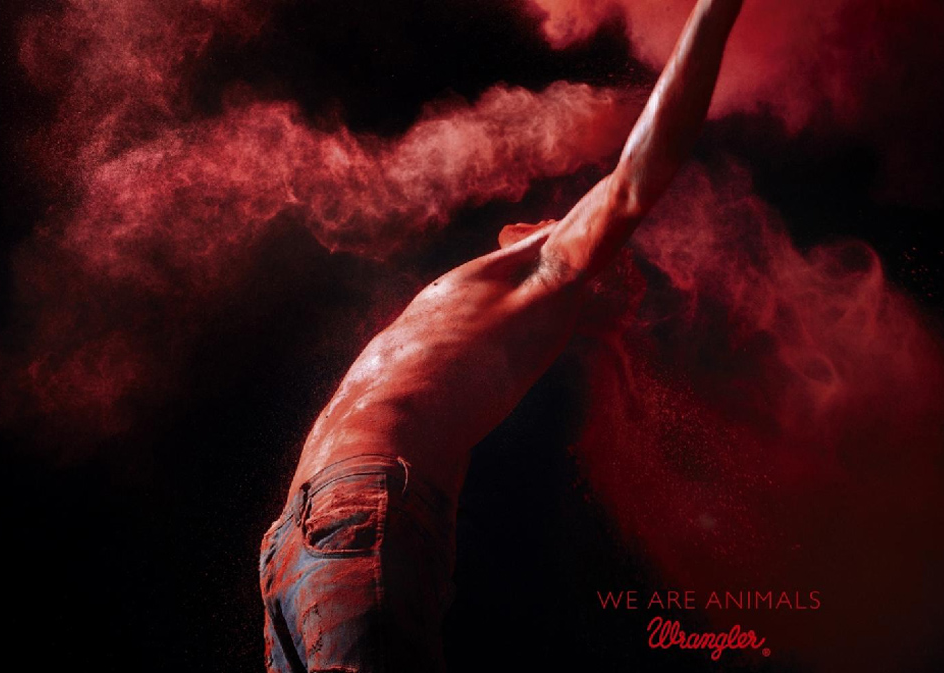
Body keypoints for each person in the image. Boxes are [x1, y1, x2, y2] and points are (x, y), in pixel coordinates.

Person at [259, 1, 745, 670]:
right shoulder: (473, 295)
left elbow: (635, 181)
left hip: (358, 516)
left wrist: (713, 13)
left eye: (581, 224)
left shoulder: (550, 276)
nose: (562, 212)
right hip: (296, 543)